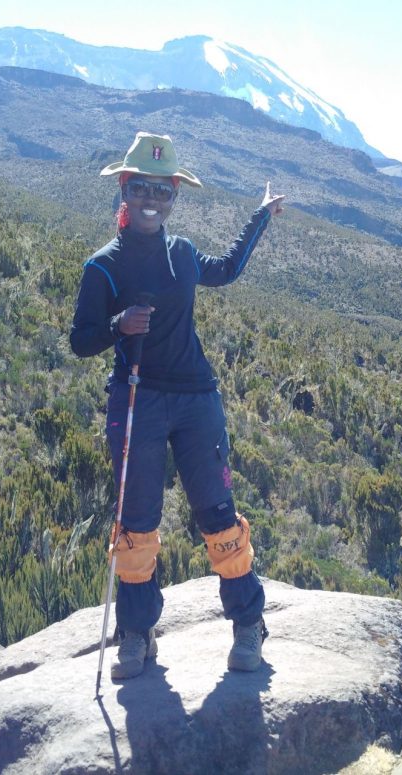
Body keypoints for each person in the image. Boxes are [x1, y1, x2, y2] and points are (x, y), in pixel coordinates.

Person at [70, 131, 284, 679]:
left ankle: (247, 626)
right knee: (136, 520)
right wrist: (119, 326)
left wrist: (259, 217)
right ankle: (137, 634)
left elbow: (228, 269)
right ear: (124, 188)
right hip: (136, 396)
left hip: (195, 399)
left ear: (174, 198)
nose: (152, 199)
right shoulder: (103, 267)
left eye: (162, 191)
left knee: (217, 513)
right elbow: (81, 339)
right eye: (142, 187)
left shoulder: (182, 253)